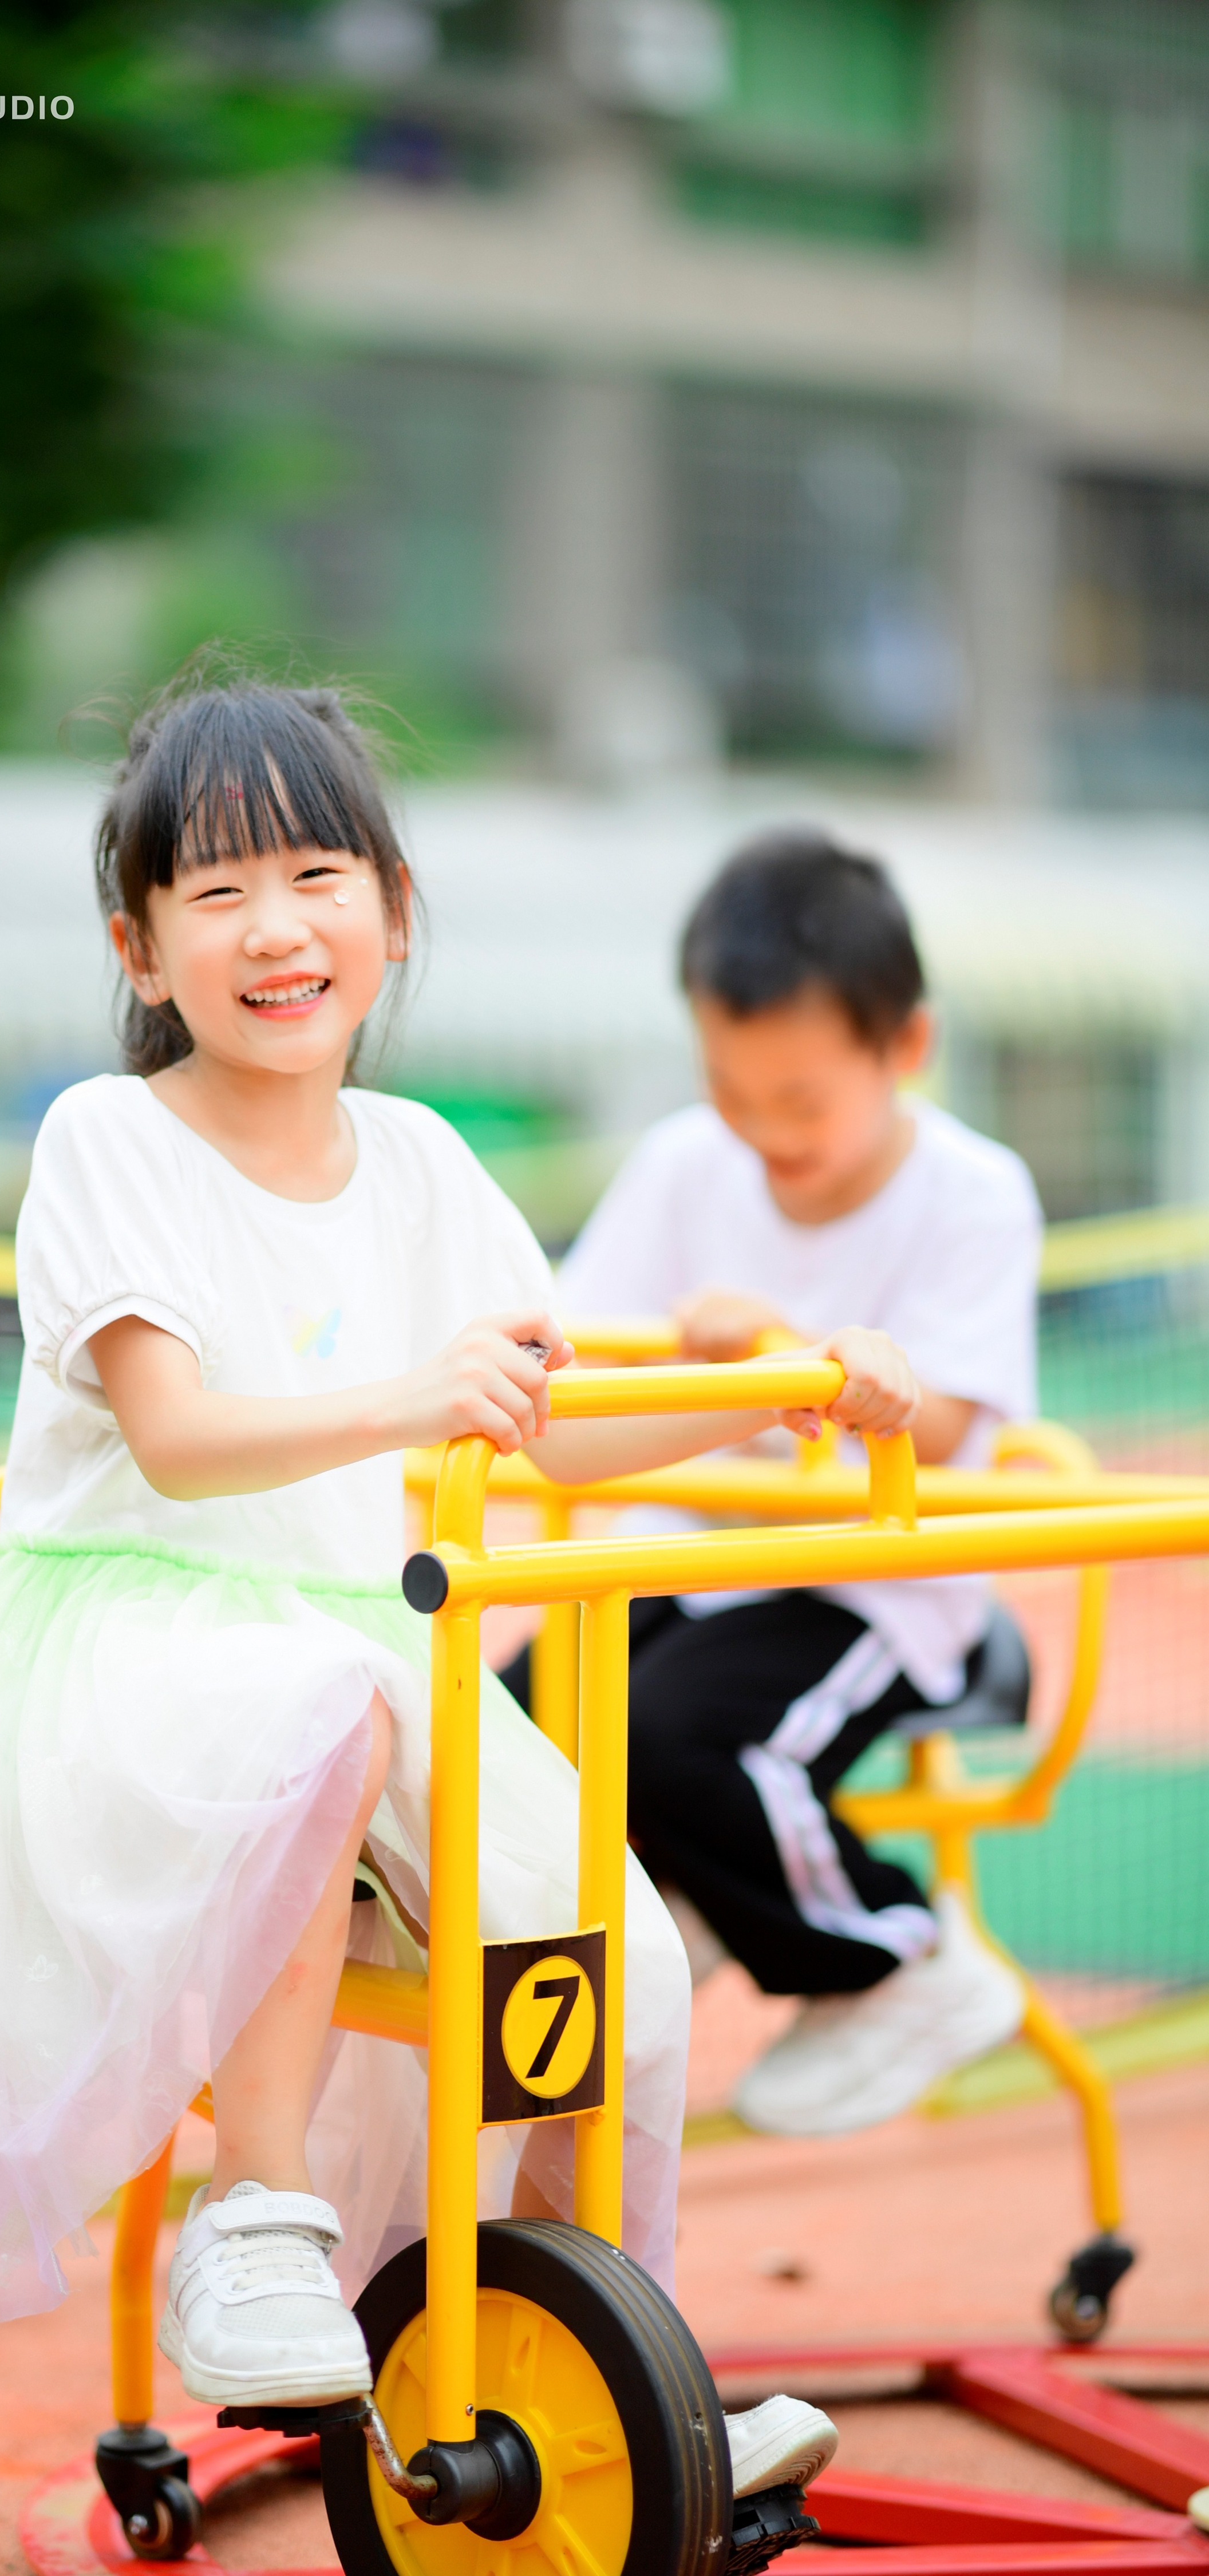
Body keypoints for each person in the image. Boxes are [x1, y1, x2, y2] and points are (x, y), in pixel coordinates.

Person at [0, 686, 918, 2502]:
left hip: (359, 1646)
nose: (276, 926)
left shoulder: (419, 1163)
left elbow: (557, 1432)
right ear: (141, 949)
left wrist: (786, 1385)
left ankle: (613, 2363)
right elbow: (177, 1440)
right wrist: (420, 1396)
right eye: (218, 889)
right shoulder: (108, 1139)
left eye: (318, 875)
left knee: (621, 1964)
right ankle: (254, 2215)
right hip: (142, 1648)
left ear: (391, 914)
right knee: (313, 1708)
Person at [516, 829, 1040, 2139]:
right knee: (515, 1728)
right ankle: (681, 1895)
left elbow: (948, 1423)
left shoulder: (973, 1194)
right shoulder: (690, 1162)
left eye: (802, 1102)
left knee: (675, 1733)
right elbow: (576, 1351)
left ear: (906, 1047)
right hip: (695, 1553)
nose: (763, 1132)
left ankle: (901, 1958)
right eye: (731, 1090)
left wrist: (770, 1357)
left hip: (871, 1583)